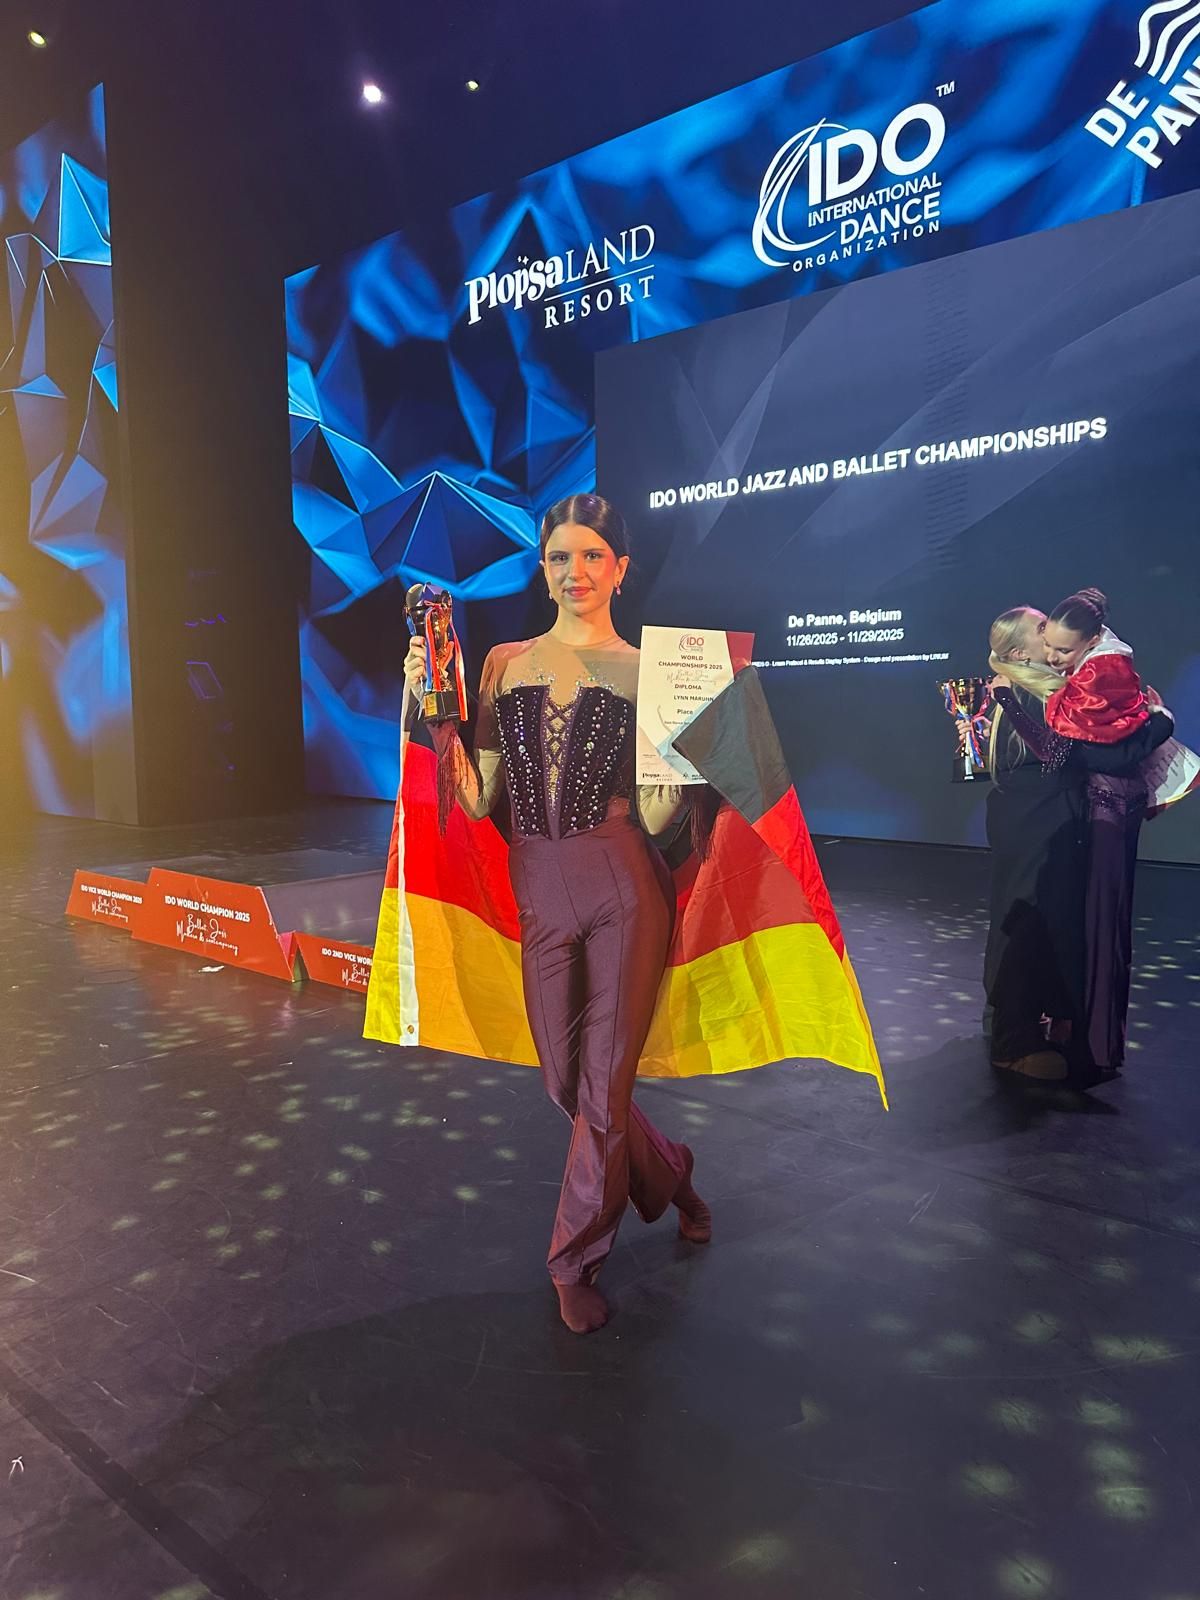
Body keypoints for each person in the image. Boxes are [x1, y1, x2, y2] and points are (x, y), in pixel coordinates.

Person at [402, 494, 710, 1335]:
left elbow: (659, 821)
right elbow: (478, 799)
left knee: (605, 1088)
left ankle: (573, 1260)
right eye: (559, 558)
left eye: (591, 556)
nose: (575, 572)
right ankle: (673, 1173)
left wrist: (678, 767)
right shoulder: (502, 663)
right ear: (543, 569)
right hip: (538, 883)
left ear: (620, 568)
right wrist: (433, 706)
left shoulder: (651, 669)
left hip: (625, 885)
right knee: (565, 1082)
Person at [984, 605, 1173, 1085]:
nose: (1051, 634)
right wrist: (1157, 723)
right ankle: (1013, 1044)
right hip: (1036, 821)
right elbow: (1070, 755)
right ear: (1018, 652)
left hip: (1035, 817)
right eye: (1041, 629)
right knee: (1027, 926)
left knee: (1033, 924)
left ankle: (1016, 1027)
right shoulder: (1029, 694)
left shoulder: (1030, 689)